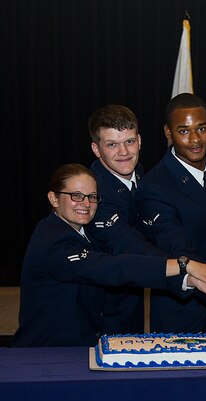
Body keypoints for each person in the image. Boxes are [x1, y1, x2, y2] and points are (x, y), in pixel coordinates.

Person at [13, 164, 206, 347]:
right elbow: (113, 268)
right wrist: (185, 265)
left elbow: (134, 253)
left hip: (76, 347)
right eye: (75, 196)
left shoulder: (84, 230)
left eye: (92, 196)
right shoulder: (54, 239)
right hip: (44, 351)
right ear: (54, 198)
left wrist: (189, 278)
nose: (85, 203)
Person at [136, 93, 206, 333]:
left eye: (201, 128)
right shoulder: (154, 186)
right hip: (186, 311)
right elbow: (175, 246)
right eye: (183, 131)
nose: (195, 139)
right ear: (168, 132)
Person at [86, 104, 166, 333]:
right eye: (112, 144)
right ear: (96, 149)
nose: (124, 152)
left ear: (139, 140)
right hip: (105, 307)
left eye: (129, 141)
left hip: (136, 295)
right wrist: (184, 267)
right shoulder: (93, 193)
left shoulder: (139, 171)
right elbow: (128, 244)